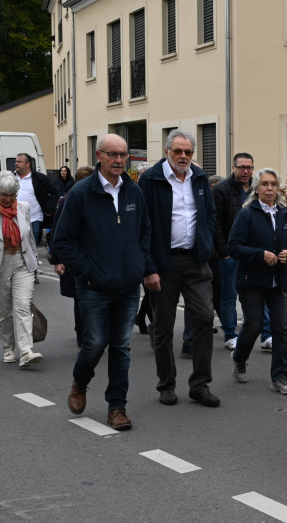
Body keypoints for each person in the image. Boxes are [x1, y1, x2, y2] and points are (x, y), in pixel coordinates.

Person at [51, 134, 158, 432]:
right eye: (113, 154)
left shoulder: (134, 190)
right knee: (95, 342)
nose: (119, 160)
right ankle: (80, 382)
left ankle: (117, 407)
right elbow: (63, 240)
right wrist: (88, 271)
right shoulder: (81, 193)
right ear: (99, 156)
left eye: (123, 154)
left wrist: (141, 265)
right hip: (94, 286)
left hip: (127, 286)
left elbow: (145, 231)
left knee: (121, 346)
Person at [136, 130, 221, 408]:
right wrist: (148, 267)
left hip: (196, 261)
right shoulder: (151, 179)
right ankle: (167, 384)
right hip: (163, 263)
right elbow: (142, 224)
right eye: (178, 151)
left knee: (205, 318)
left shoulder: (199, 177)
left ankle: (200, 385)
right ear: (167, 151)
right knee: (163, 326)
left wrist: (205, 244)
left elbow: (209, 215)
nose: (183, 156)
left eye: (188, 152)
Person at [227, 168, 287, 395]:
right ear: (256, 188)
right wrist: (260, 254)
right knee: (254, 326)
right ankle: (239, 358)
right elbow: (233, 247)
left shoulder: (286, 214)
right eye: (265, 184)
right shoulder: (247, 214)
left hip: (280, 282)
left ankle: (280, 377)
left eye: (273, 184)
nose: (269, 188)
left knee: (282, 330)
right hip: (252, 281)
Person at [0, 171, 43, 368]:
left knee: (23, 306)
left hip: (22, 262)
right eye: (4, 195)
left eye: (13, 195)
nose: (8, 199)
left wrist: (34, 260)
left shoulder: (24, 207)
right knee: (3, 311)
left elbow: (29, 238)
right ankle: (8, 348)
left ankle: (26, 350)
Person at [213, 152, 266, 349]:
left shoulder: (258, 188)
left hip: (254, 252)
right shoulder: (221, 189)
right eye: (241, 167)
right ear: (233, 168)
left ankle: (267, 335)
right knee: (229, 295)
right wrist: (224, 252)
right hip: (231, 252)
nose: (246, 171)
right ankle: (230, 334)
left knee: (261, 293)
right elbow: (215, 223)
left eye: (249, 167)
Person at [49, 166, 94, 348]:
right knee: (80, 297)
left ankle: (90, 332)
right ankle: (83, 338)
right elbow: (57, 232)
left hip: (94, 256)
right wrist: (58, 260)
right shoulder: (67, 201)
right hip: (75, 257)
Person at [14, 152, 58, 246]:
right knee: (17, 245)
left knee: (33, 246)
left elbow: (55, 192)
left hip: (34, 218)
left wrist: (49, 209)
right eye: (16, 161)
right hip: (15, 218)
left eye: (20, 162)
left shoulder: (39, 178)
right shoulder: (11, 177)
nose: (16, 164)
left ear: (28, 164)